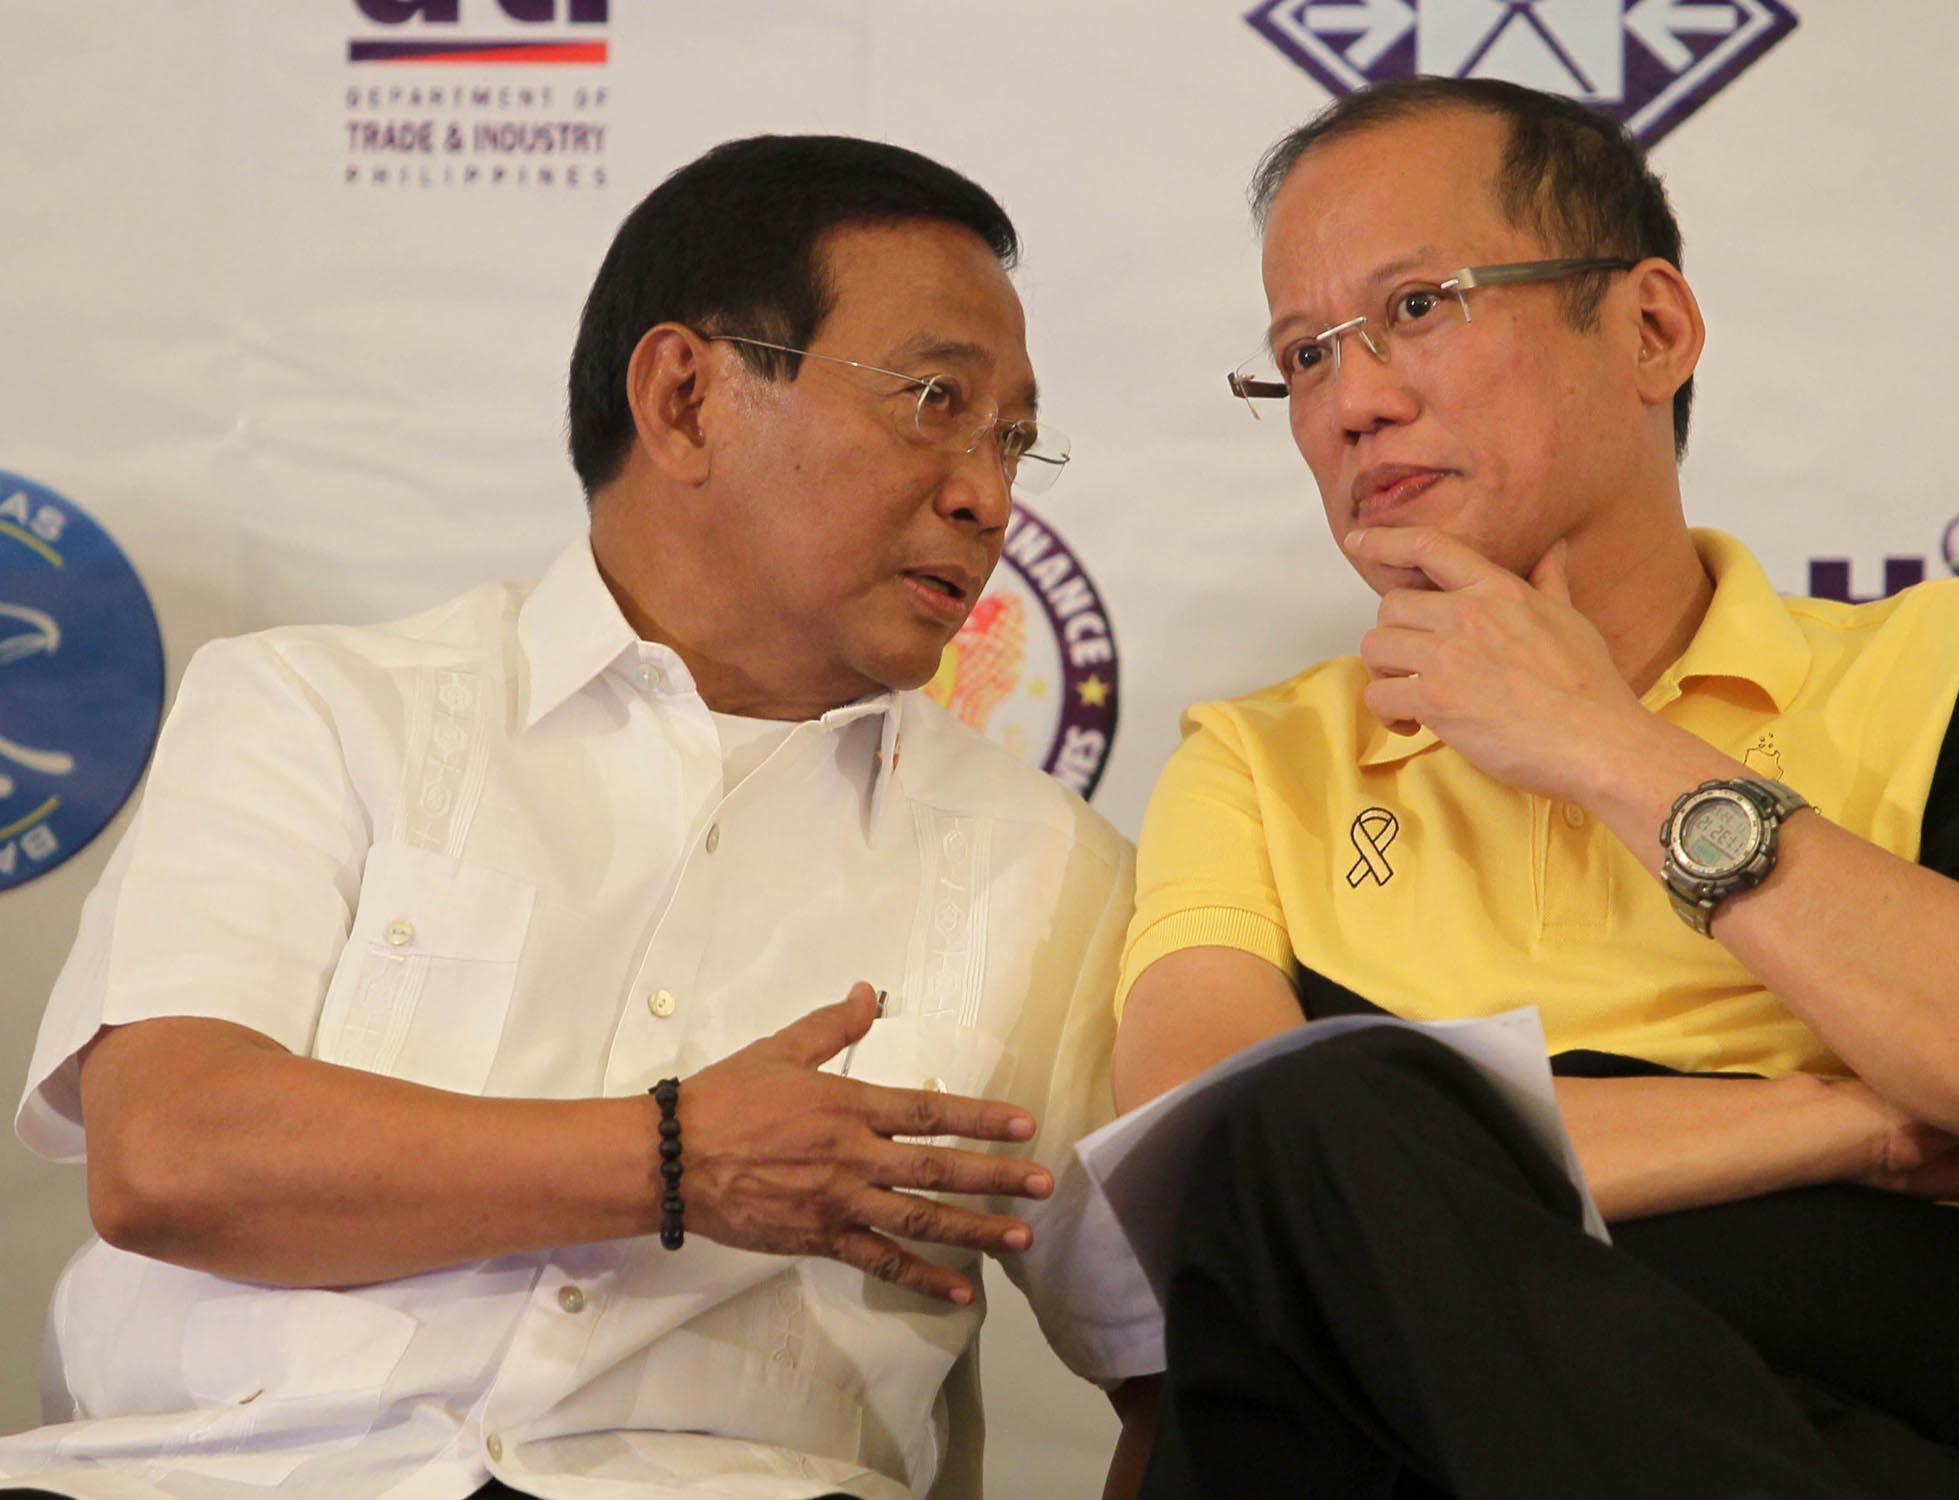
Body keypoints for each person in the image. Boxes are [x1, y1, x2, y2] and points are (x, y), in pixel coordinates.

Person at [1, 134, 1153, 1500]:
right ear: (686, 399)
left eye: (1012, 438)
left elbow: (1181, 1369)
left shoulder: (1048, 869)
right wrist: (676, 1160)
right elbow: (171, 1155)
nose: (987, 495)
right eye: (932, 399)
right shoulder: (314, 711)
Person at [1106, 78, 1959, 1500]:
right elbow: (1209, 1187)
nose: (1353, 402)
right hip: (1400, 1429)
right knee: (1305, 1126)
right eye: (1304, 356)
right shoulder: (1261, 761)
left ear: (1652, 330)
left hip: (1886, 1403)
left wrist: (1602, 746)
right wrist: (1854, 1118)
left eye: (1418, 307)